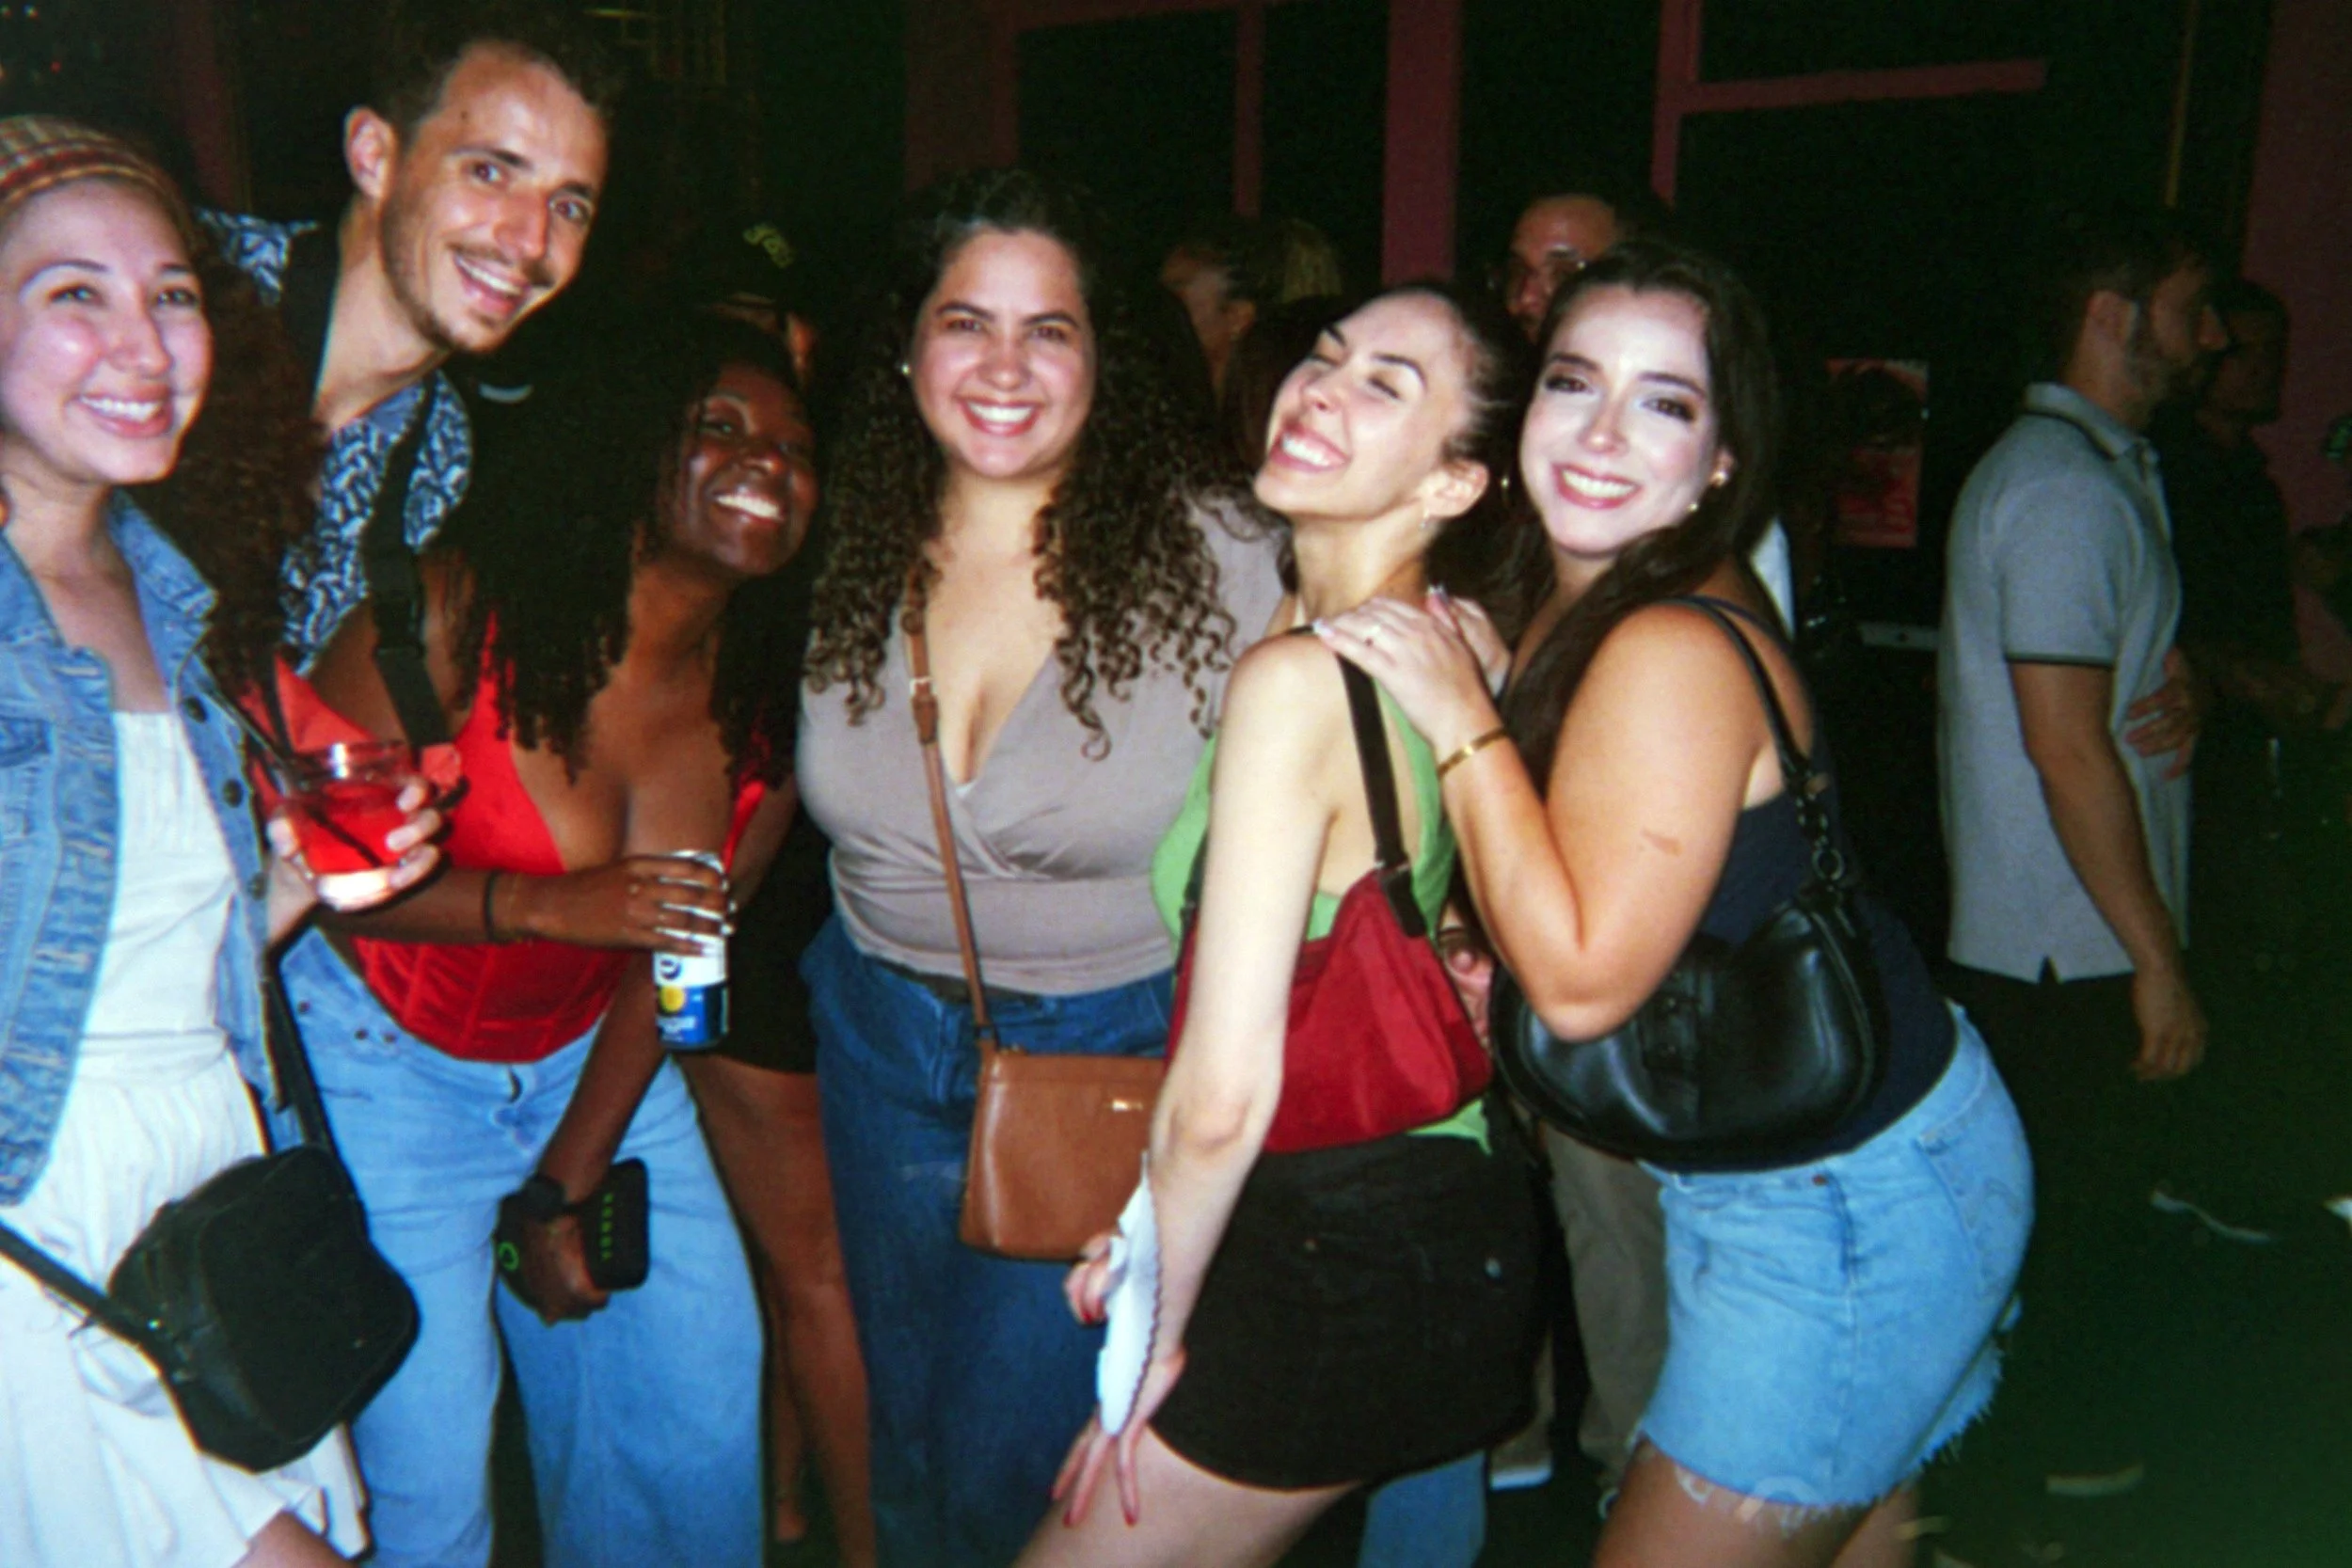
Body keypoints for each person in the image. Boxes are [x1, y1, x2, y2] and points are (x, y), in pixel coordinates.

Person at [1319, 240, 2031, 1567]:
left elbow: (1586, 981)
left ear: (1721, 460)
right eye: (1572, 381)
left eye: (1664, 402)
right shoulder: (1589, 596)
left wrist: (1461, 718)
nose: (1598, 433)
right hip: (1827, 1153)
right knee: (1856, 1526)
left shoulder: (1661, 640)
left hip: (1841, 1202)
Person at [796, 167, 1286, 1568]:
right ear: (908, 348)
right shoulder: (843, 533)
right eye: (967, 321)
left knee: (1020, 1459)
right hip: (875, 1030)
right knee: (907, 1430)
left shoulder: (1230, 555)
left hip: (1102, 1048)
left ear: (1101, 356)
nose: (1004, 366)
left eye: (1049, 329)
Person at [1022, 280, 1541, 1567]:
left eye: (1387, 385)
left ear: (1456, 484)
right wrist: (1156, 1223)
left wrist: (1149, 1330)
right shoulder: (1438, 639)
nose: (1323, 387)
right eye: (1327, 355)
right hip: (1410, 1210)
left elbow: (1220, 1092)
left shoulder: (1300, 681)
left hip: (1348, 1244)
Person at [273, 314, 804, 1567]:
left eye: (795, 444)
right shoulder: (452, 610)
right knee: (431, 1468)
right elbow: (299, 873)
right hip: (384, 1061)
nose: (766, 460)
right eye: (720, 426)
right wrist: (547, 905)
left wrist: (565, 1181)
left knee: (693, 1404)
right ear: (631, 447)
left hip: (597, 1062)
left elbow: (681, 978)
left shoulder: (769, 698)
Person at [0, 116, 437, 1568]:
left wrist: (298, 888)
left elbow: (133, 954)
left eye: (171, 293)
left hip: (203, 1189)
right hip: (37, 1229)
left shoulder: (173, 591)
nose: (142, 342)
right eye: (75, 295)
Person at [1939, 204, 2224, 1486]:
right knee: (2063, 1254)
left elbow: (2087, 703)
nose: (2209, 336)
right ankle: (2047, 1501)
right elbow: (2065, 746)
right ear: (2115, 316)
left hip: (2068, 930)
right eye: (2189, 306)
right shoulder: (2060, 484)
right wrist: (2156, 953)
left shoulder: (2087, 471)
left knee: (2060, 1245)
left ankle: (2040, 1482)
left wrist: (2191, 685)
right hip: (2067, 942)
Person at [204, 0, 619, 667]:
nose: (530, 241)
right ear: (374, 157)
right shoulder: (194, 289)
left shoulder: (438, 451)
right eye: (490, 172)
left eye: (568, 206)